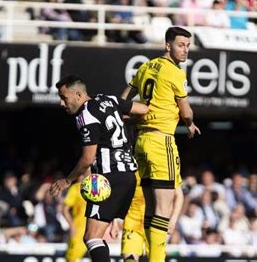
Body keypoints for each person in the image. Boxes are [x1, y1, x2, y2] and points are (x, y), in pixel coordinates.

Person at [120, 26, 201, 262]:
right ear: (167, 45)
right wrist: (190, 122)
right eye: (180, 45)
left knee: (149, 207)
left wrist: (131, 115)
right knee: (163, 209)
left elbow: (124, 98)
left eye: (187, 45)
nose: (185, 50)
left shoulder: (145, 67)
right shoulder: (175, 73)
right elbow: (186, 112)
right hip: (161, 140)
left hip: (141, 141)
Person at [49, 75, 149, 261]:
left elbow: (87, 159)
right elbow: (144, 109)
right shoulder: (108, 99)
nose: (62, 104)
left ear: (78, 95)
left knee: (91, 237)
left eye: (64, 98)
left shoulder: (86, 114)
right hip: (129, 176)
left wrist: (67, 180)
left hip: (108, 180)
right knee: (100, 235)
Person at [62, 175, 87, 262]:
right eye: (80, 175)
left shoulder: (97, 186)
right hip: (79, 230)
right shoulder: (76, 188)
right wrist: (72, 225)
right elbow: (64, 209)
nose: (80, 177)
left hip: (95, 230)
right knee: (71, 259)